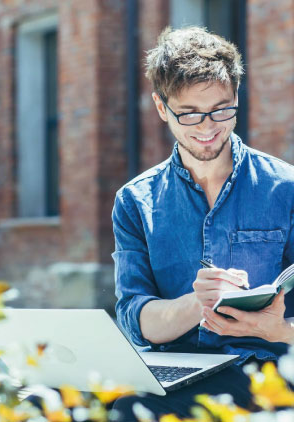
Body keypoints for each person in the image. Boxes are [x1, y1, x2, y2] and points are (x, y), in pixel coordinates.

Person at [111, 26, 294, 420]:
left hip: (263, 369)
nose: (208, 127)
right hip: (173, 365)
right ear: (162, 108)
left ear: (236, 98)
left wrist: (278, 330)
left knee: (132, 411)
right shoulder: (134, 201)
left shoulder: (286, 189)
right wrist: (197, 304)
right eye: (190, 113)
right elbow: (136, 318)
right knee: (49, 399)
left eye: (221, 109)